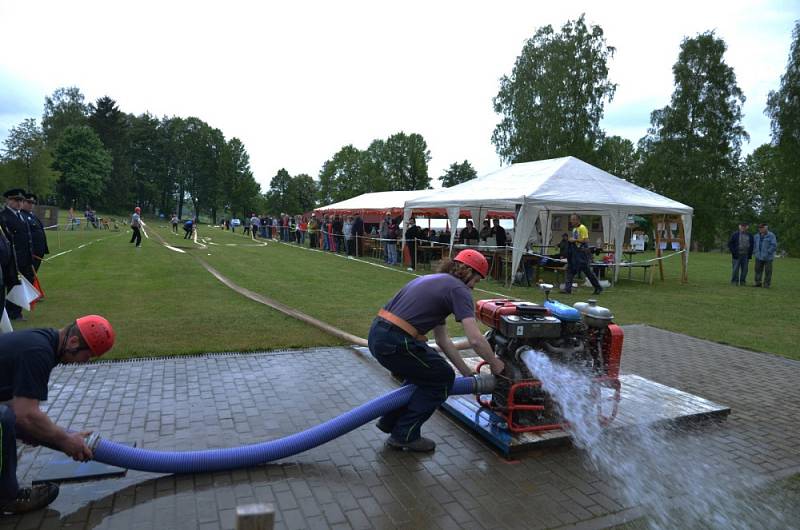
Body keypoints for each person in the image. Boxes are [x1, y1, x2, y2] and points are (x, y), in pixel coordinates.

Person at [368, 250, 504, 452]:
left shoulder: (435, 281)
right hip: (396, 341)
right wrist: (495, 363)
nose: (474, 286)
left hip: (379, 335)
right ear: (467, 271)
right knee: (442, 378)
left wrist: (467, 374)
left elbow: (442, 340)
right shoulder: (459, 290)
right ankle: (405, 435)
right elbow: (475, 339)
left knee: (426, 374)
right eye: (476, 279)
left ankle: (390, 421)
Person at [0, 315, 115, 514]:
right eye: (86, 357)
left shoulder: (44, 343)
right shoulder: (39, 352)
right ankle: (9, 498)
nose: (83, 363)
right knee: (4, 420)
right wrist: (65, 440)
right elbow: (26, 414)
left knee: (10, 419)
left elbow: (18, 406)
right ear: (73, 342)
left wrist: (48, 434)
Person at [1, 189, 33, 320]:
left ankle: (15, 311)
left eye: (21, 200)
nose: (19, 203)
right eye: (16, 200)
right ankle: (10, 312)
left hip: (24, 257)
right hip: (12, 258)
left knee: (20, 285)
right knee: (12, 284)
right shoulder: (3, 216)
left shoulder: (21, 216)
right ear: (8, 200)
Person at [561, 214, 602, 295]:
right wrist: (573, 241)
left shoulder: (582, 228)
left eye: (573, 219)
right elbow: (576, 240)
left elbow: (586, 240)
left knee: (587, 272)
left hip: (582, 253)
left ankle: (598, 287)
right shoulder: (574, 229)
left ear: (578, 220)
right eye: (571, 219)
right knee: (570, 270)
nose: (571, 221)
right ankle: (567, 289)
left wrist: (575, 240)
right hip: (575, 253)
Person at [21, 194, 49, 273]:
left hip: (38, 253)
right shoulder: (22, 216)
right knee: (28, 276)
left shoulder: (32, 215)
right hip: (31, 254)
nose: (31, 204)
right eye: (29, 202)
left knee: (32, 276)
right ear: (23, 202)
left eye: (33, 202)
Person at [753, 223, 777, 288]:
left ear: (766, 228)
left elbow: (774, 245)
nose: (760, 229)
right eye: (759, 228)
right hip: (758, 256)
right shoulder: (756, 236)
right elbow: (754, 244)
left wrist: (768, 252)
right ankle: (758, 283)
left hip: (768, 257)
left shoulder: (771, 235)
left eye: (762, 228)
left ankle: (766, 284)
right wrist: (755, 251)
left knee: (768, 271)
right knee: (757, 270)